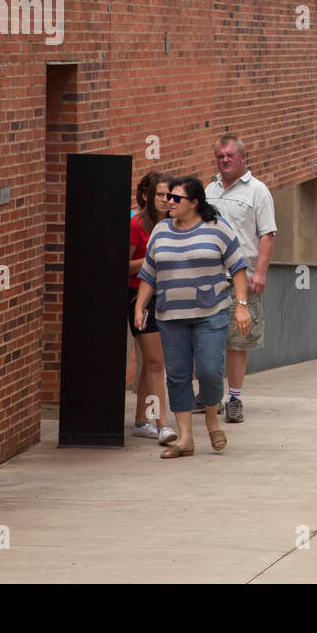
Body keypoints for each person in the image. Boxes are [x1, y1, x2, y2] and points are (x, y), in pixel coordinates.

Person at [135, 176, 251, 458]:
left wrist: (242, 305)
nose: (169, 202)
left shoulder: (217, 227)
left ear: (195, 203)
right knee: (177, 376)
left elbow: (237, 266)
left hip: (209, 313)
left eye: (176, 198)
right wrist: (140, 307)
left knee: (210, 371)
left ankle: (211, 415)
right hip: (170, 315)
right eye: (167, 197)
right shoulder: (161, 230)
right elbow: (150, 273)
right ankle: (185, 438)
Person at [205, 134, 277, 424]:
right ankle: (210, 395)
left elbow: (268, 234)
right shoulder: (209, 190)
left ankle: (234, 397)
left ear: (243, 158)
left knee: (236, 340)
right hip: (209, 278)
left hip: (242, 279)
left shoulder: (258, 191)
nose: (224, 161)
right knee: (207, 337)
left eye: (229, 156)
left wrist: (260, 272)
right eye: (220, 156)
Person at [128, 171, 177, 446]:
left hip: (169, 298)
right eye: (160, 194)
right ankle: (162, 425)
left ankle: (140, 421)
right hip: (139, 297)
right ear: (148, 196)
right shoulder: (137, 224)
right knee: (157, 362)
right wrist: (150, 260)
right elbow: (123, 265)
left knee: (151, 362)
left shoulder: (174, 225)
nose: (164, 199)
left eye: (169, 195)